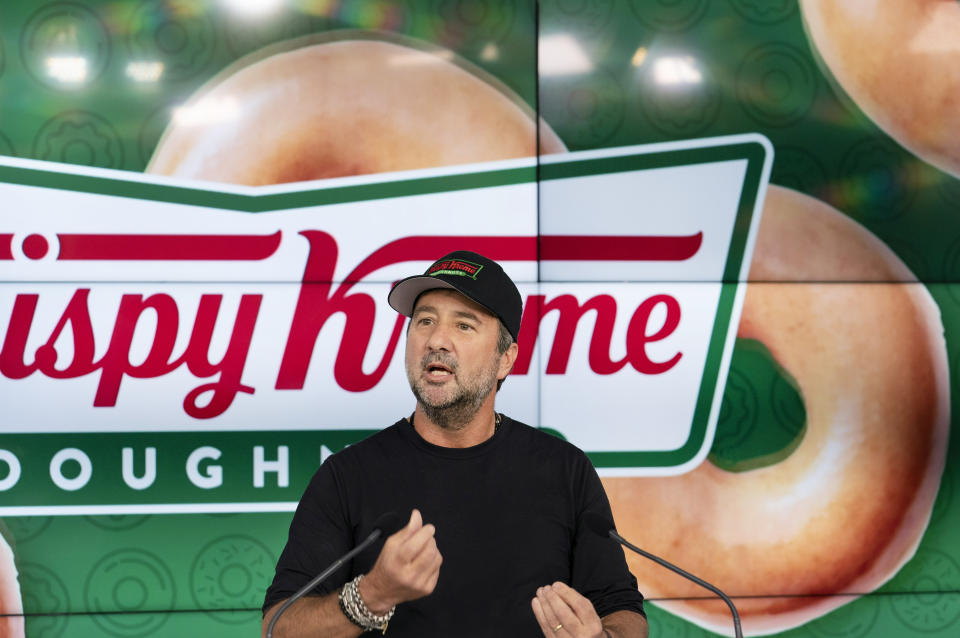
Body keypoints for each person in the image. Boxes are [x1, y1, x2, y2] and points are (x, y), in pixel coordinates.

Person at [262, 250, 648, 637]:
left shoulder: (565, 470)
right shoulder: (346, 477)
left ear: (505, 360)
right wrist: (371, 595)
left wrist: (601, 637)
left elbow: (623, 612)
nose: (436, 339)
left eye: (464, 325)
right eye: (424, 320)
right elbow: (277, 628)